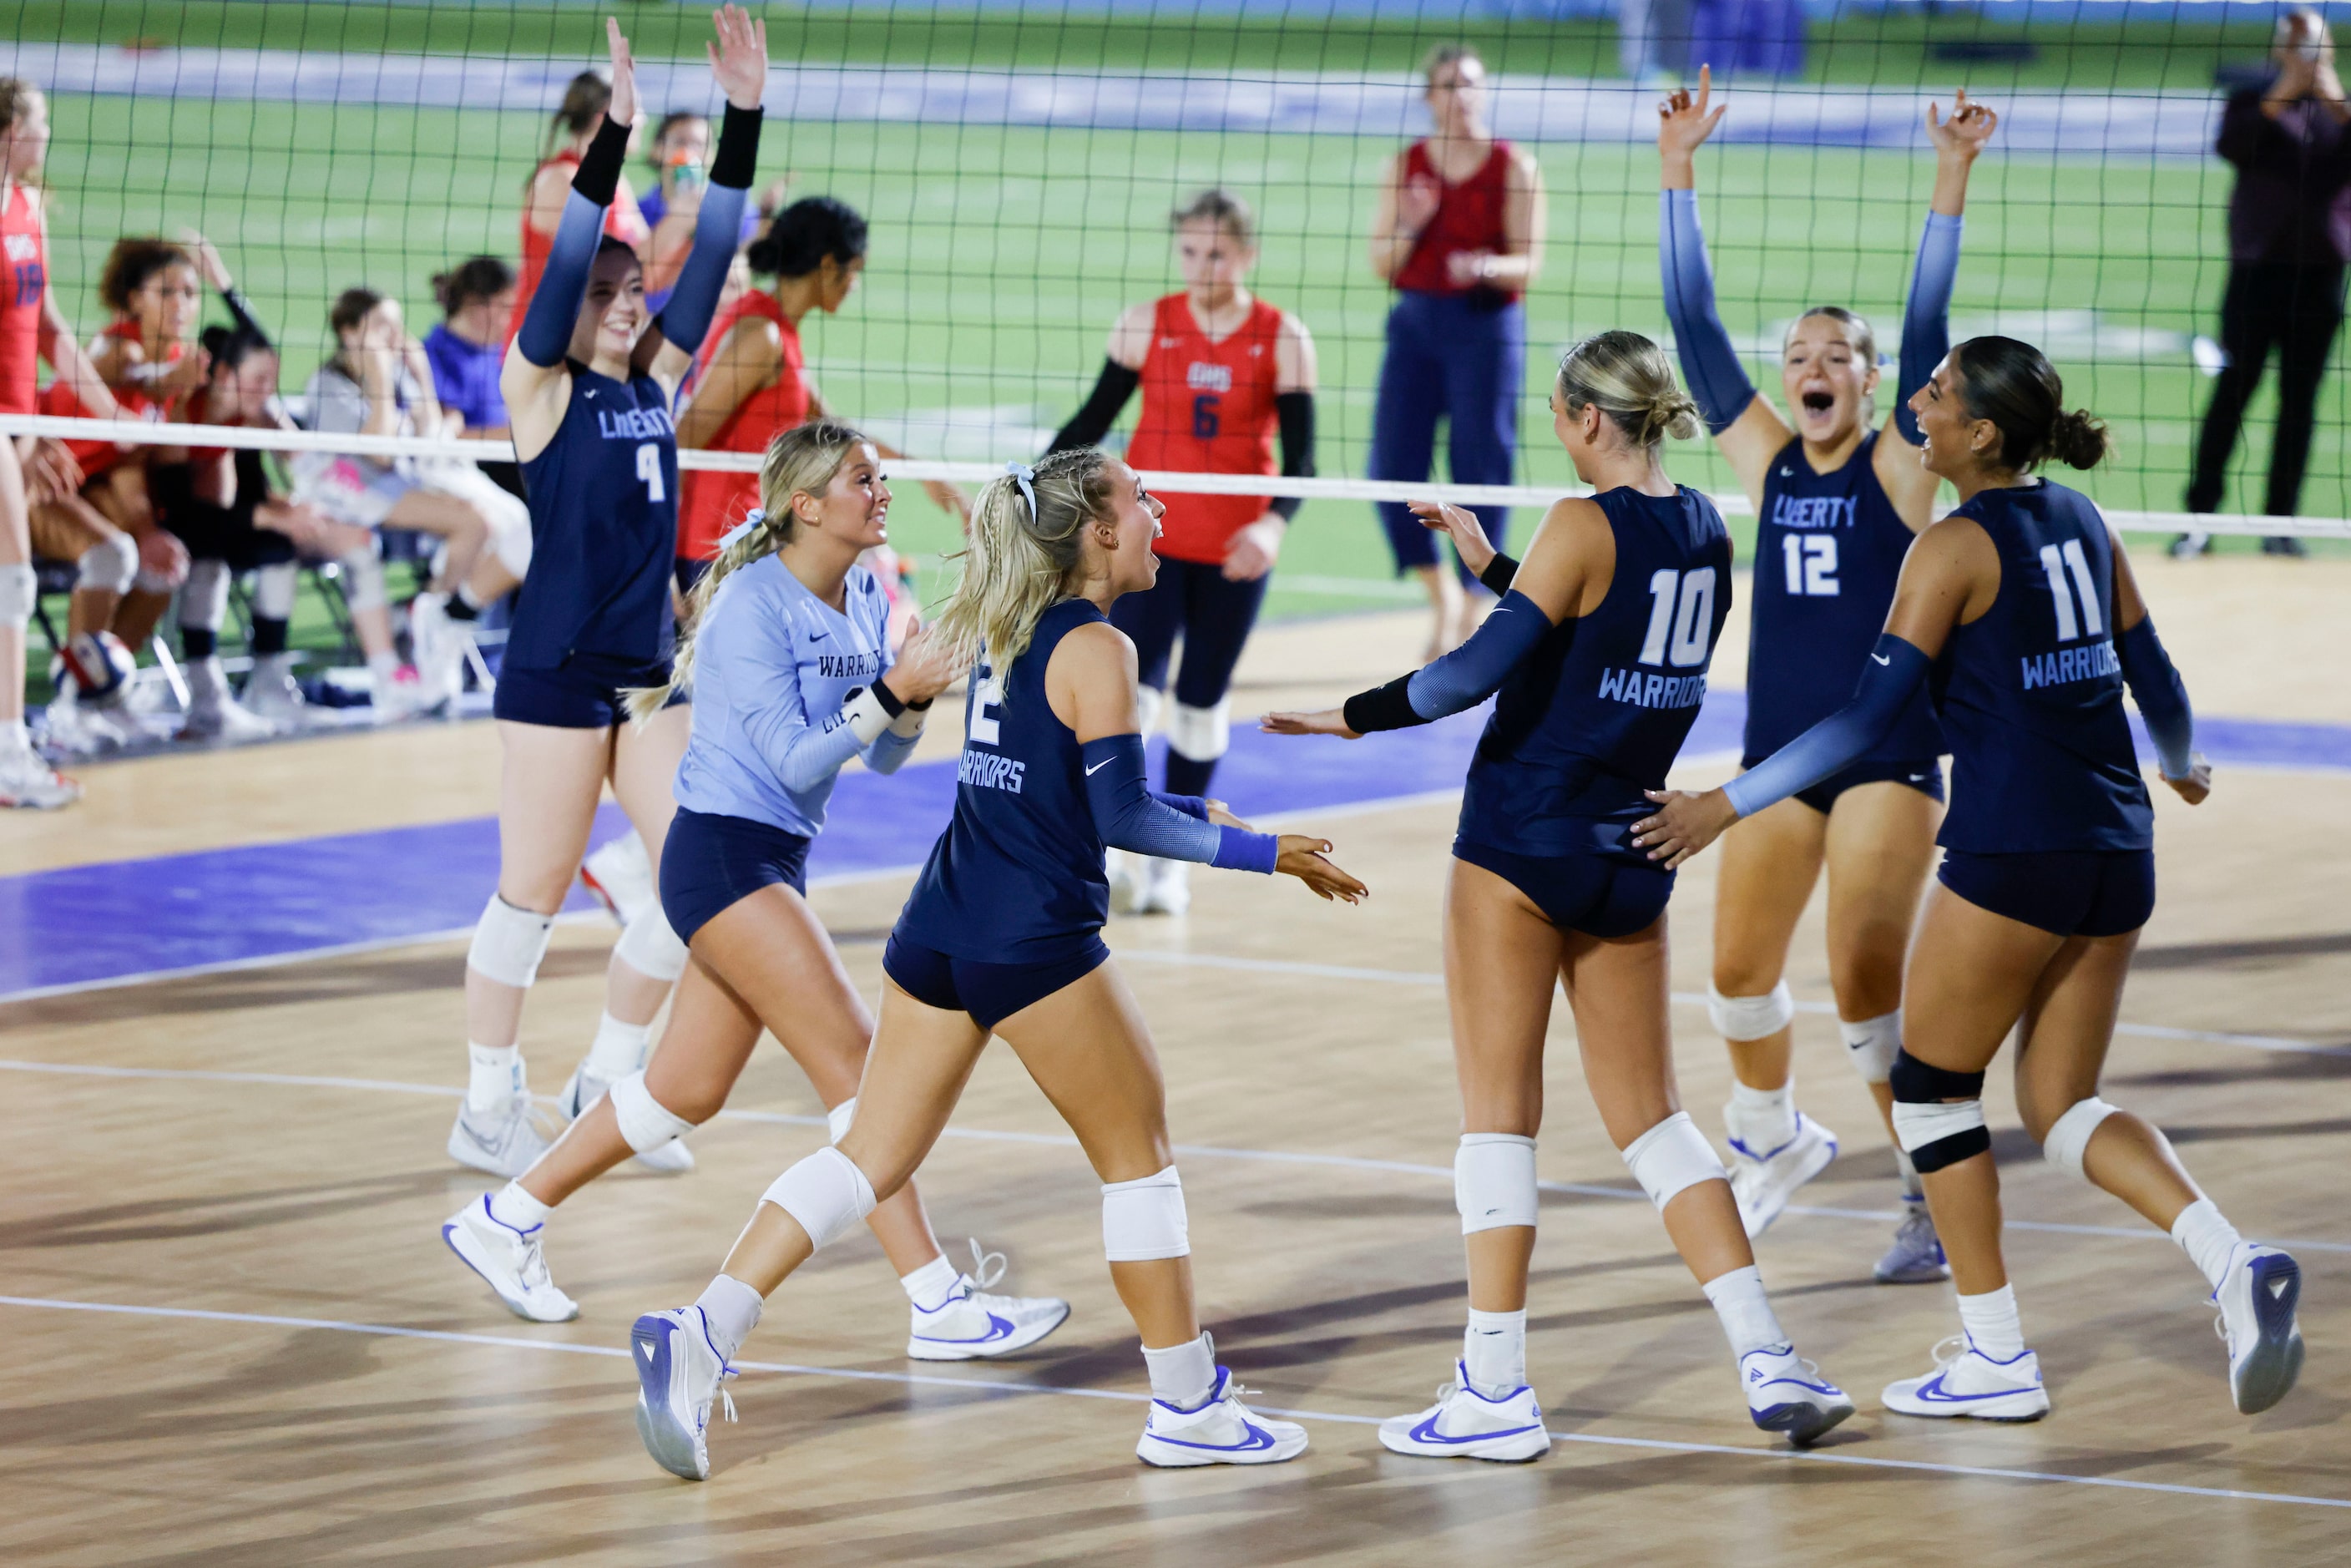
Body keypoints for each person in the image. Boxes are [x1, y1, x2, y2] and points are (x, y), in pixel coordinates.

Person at [627, 450, 1367, 1483]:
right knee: (1137, 1156)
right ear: (1099, 534)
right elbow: (1116, 816)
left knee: (865, 1158)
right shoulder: (1098, 647)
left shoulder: (1005, 624)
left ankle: (702, 1329)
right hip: (1032, 942)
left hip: (936, 929)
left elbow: (1058, 791)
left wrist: (1202, 813)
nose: (1157, 509)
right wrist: (1262, 853)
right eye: (1139, 498)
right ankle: (1188, 1407)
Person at [1635, 336, 2304, 1423]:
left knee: (1934, 1090)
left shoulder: (1951, 549)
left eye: (1937, 394)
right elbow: (2160, 681)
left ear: (1979, 434)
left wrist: (1726, 802)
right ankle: (2233, 1261)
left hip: (2014, 851)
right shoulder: (2085, 523)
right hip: (2116, 850)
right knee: (2062, 1102)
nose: (1918, 405)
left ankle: (1996, 1353)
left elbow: (1862, 719)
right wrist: (2177, 767)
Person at [1265, 332, 1855, 1460]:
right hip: (1632, 848)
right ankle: (1769, 1351)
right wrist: (1496, 564)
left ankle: (1493, 1385)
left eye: (1559, 408)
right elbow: (1595, 628)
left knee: (1500, 1116)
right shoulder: (1701, 528)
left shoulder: (1581, 524)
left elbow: (1472, 675)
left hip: (1521, 842)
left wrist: (1352, 712)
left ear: (1589, 416)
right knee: (1658, 1120)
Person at [445, 420, 1071, 1368]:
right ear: (805, 505)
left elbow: (886, 756)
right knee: (860, 1069)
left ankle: (504, 1216)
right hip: (722, 859)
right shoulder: (748, 606)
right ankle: (935, 1299)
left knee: (680, 1091)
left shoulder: (863, 592)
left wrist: (914, 692)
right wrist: (888, 690)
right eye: (863, 478)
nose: (882, 490)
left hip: (776, 858)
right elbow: (789, 756)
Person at [1655, 71, 1996, 1274]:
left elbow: (1922, 329)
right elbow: (1693, 329)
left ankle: (1921, 1179)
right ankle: (1772, 1135)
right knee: (1737, 978)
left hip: (1886, 756)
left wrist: (1949, 174)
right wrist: (1678, 169)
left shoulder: (1899, 469)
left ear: (1867, 383)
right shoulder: (1771, 464)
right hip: (1778, 761)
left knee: (1861, 975)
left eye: (1834, 356)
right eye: (1797, 354)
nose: (1813, 366)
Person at [451, 9, 764, 1186]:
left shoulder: (659, 381)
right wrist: (618, 132)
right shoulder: (540, 385)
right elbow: (576, 244)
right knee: (529, 897)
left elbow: (721, 246)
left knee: (699, 884)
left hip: (648, 672)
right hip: (555, 673)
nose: (634, 301)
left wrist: (742, 113)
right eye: (613, 288)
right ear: (575, 303)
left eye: (641, 289)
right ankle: (489, 1103)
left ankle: (608, 1081)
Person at [1046, 188, 1319, 917]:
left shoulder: (1281, 336)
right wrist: (1031, 491)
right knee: (1129, 698)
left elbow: (1303, 460)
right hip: (1147, 545)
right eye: (1192, 251)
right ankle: (1111, 846)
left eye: (1219, 253)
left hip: (1233, 552)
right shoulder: (1146, 325)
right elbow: (1090, 422)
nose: (1203, 266)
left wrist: (1272, 526)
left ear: (1246, 254)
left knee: (1201, 705)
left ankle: (1174, 863)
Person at [675, 194, 965, 599]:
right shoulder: (762, 336)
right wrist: (661, 568)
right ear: (828, 265)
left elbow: (834, 434)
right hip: (715, 555)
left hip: (745, 548)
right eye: (854, 270)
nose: (855, 284)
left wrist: (921, 469)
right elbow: (681, 442)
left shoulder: (777, 331)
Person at [1367, 45, 1545, 659]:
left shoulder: (1513, 165)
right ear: (1429, 96)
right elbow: (1381, 263)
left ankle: (1472, 605)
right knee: (1391, 466)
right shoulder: (1408, 166)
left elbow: (1531, 260)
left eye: (1470, 83)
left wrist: (1489, 265)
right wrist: (1414, 222)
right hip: (1417, 324)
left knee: (1482, 467)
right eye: (1448, 85)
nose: (1461, 95)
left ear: (1483, 91)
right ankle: (1439, 591)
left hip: (1485, 326)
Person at [296, 286, 532, 716]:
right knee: (473, 523)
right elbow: (379, 453)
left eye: (396, 324)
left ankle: (433, 613)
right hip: (344, 491)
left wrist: (421, 378)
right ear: (350, 334)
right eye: (382, 325)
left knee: (497, 522)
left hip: (394, 484)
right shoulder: (329, 384)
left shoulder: (401, 373)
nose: (394, 335)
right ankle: (436, 613)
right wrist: (383, 382)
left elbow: (430, 440)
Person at [2178, 8, 2351, 559]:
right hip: (2256, 271)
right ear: (2280, 52)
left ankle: (2281, 524)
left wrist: (2335, 99)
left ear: (2331, 53)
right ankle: (2197, 520)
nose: (2306, 61)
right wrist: (2282, 94)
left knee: (2299, 403)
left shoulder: (2340, 111)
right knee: (2231, 393)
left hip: (2322, 274)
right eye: (2298, 51)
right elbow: (2233, 146)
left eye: (2316, 52)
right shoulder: (2252, 98)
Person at [156, 326, 372, 738]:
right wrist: (270, 516)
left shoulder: (251, 415)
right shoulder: (184, 412)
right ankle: (207, 699)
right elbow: (182, 515)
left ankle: (269, 683)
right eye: (257, 380)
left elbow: (279, 476)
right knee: (207, 559)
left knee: (279, 549)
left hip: (218, 521)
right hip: (170, 525)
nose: (266, 391)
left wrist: (292, 509)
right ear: (223, 376)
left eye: (271, 382)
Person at [0, 74, 120, 807]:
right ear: (10, 127)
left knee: (7, 579)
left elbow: (46, 328)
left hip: (15, 426)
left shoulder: (29, 210)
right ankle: (11, 751)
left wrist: (100, 414)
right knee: (13, 578)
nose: (48, 132)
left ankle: (10, 746)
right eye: (40, 119)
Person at [34, 235, 200, 744]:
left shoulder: (177, 364)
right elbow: (119, 369)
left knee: (161, 562)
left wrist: (152, 530)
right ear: (134, 300)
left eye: (191, 293)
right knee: (111, 555)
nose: (181, 304)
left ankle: (106, 691)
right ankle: (70, 709)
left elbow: (131, 465)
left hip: (89, 485)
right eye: (166, 292)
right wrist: (166, 377)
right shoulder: (116, 345)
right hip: (33, 479)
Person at [513, 69, 655, 336]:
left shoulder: (616, 180)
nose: (644, 119)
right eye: (637, 109)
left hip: (595, 337)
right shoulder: (563, 181)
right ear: (608, 114)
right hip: (549, 342)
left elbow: (650, 267)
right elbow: (609, 268)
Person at [635, 110, 787, 315]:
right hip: (649, 323)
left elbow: (745, 265)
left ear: (712, 155)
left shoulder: (735, 210)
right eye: (680, 142)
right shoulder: (637, 211)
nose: (689, 152)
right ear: (657, 149)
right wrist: (680, 220)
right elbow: (635, 269)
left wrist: (765, 217)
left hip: (709, 329)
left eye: (699, 145)